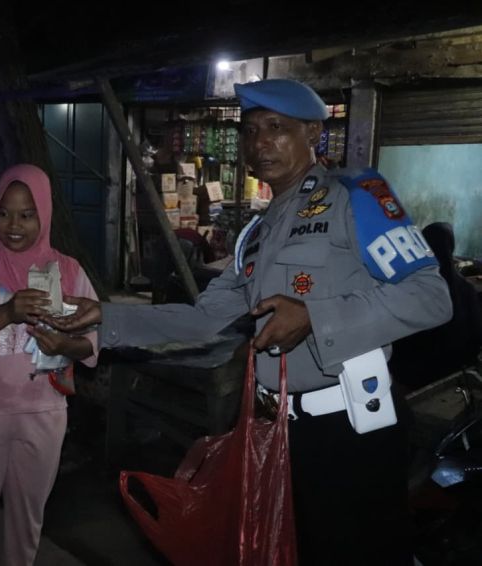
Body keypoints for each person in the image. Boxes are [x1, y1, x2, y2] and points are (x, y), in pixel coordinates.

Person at [48, 79, 452, 565]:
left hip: (349, 433)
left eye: (277, 128)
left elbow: (431, 296)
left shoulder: (355, 196)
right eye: (251, 130)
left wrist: (316, 315)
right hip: (277, 434)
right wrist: (107, 317)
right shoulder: (256, 236)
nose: (259, 143)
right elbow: (204, 321)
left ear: (314, 134)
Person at [0, 164, 99, 566]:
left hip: (42, 413)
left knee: (26, 524)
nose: (14, 225)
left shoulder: (67, 270)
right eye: (4, 213)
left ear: (43, 215)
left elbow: (93, 341)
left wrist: (66, 343)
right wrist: (8, 311)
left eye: (27, 214)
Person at [389, 221, 482, 389]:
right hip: (458, 371)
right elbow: (476, 336)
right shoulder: (466, 289)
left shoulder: (414, 288)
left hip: (417, 377)